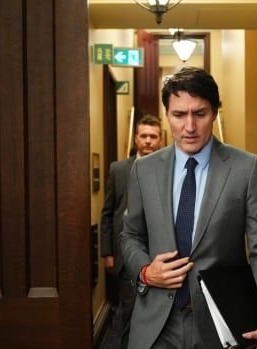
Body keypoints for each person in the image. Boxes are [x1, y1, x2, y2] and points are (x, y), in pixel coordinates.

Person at [121, 67, 257, 349]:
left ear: (214, 113)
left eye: (199, 114)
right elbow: (130, 236)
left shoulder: (246, 169)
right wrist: (145, 271)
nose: (189, 127)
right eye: (179, 115)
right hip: (156, 325)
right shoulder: (143, 170)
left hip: (220, 324)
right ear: (167, 114)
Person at [100, 114, 163, 349]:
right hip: (126, 257)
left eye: (153, 136)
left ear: (160, 140)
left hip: (159, 254)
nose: (148, 141)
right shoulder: (118, 170)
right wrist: (107, 252)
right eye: (143, 136)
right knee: (130, 314)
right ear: (136, 139)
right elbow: (107, 213)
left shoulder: (168, 168)